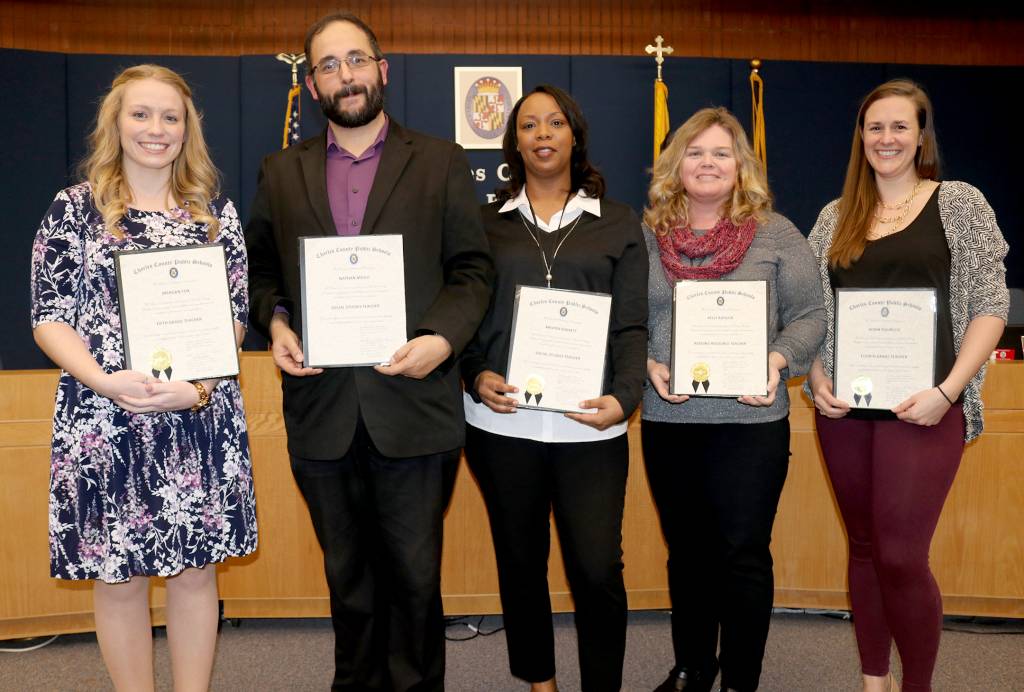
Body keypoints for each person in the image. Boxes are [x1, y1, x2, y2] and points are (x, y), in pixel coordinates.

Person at [244, 12, 493, 692]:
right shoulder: (280, 172)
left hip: (414, 406)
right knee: (347, 578)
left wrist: (442, 340)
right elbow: (261, 275)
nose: (345, 75)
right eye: (329, 65)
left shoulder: (440, 161)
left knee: (414, 578)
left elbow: (473, 270)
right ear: (314, 82)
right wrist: (279, 321)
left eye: (356, 60)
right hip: (322, 407)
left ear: (381, 70)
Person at [30, 64, 256, 691]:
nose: (155, 129)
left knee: (194, 573)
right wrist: (104, 381)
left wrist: (201, 387)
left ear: (188, 130)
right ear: (116, 122)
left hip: (196, 415)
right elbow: (49, 317)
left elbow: (236, 317)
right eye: (140, 114)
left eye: (170, 117)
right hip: (104, 417)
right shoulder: (74, 210)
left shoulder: (215, 214)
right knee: (118, 576)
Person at [806, 80, 1008, 692]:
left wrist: (947, 391)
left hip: (925, 407)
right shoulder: (835, 216)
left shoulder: (959, 203)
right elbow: (811, 313)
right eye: (874, 127)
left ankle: (916, 685)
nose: (886, 138)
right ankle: (874, 680)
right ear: (860, 138)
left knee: (900, 554)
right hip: (846, 412)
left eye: (899, 126)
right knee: (864, 546)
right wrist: (815, 378)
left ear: (921, 135)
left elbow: (990, 305)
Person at [460, 85, 648, 692]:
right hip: (501, 426)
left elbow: (632, 323)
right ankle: (541, 683)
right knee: (520, 566)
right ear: (514, 141)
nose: (543, 134)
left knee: (597, 570)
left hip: (591, 426)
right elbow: (461, 314)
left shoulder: (617, 223)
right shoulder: (483, 223)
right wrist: (473, 373)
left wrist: (624, 397)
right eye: (530, 125)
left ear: (575, 136)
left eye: (556, 123)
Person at [642, 107, 826, 692]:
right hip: (670, 418)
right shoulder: (647, 236)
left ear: (741, 166)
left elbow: (810, 314)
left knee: (743, 552)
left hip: (750, 421)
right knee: (687, 555)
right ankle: (694, 667)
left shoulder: (776, 233)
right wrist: (647, 362)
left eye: (722, 153)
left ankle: (741, 678)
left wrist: (775, 360)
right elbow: (627, 319)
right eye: (695, 153)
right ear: (676, 165)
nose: (708, 163)